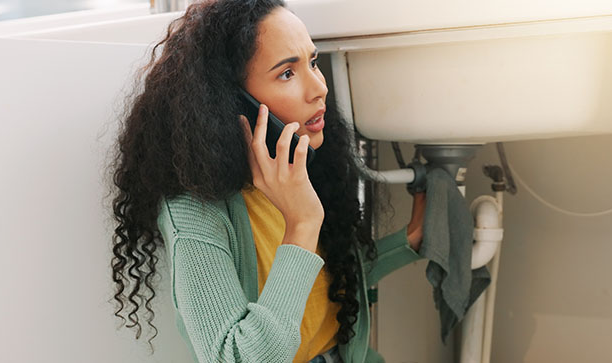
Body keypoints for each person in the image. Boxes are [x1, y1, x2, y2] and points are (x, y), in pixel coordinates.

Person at [108, 0, 427, 362]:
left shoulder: (301, 160)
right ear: (230, 101)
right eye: (287, 74)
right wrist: (303, 222)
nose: (319, 89)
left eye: (313, 62)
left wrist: (408, 242)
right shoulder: (194, 210)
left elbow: (320, 284)